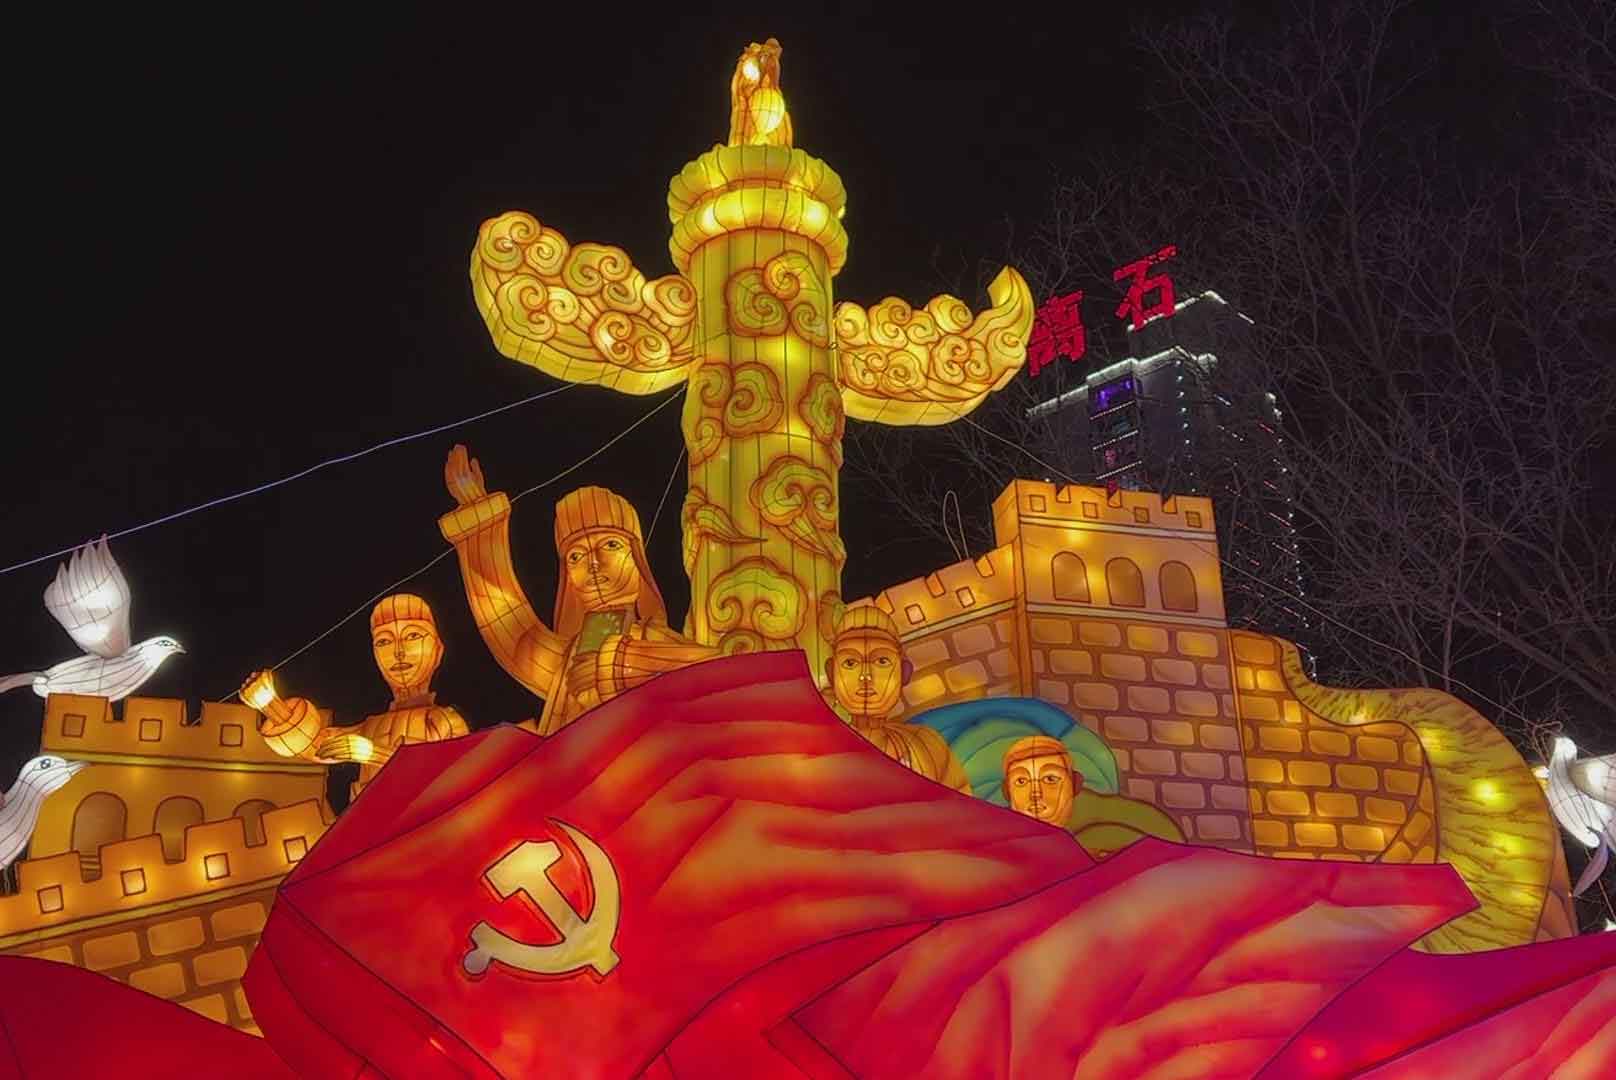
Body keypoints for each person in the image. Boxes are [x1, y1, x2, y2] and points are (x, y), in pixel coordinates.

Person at [438, 444, 717, 734]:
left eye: (610, 544)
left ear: (637, 558)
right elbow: (517, 635)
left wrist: (625, 663)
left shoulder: (650, 639)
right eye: (576, 555)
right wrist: (480, 524)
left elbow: (719, 668)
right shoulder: (568, 660)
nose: (593, 563)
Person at [240, 594, 469, 802]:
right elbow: (316, 745)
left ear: (438, 650)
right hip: (371, 825)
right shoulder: (370, 727)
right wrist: (270, 705)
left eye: (413, 636)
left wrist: (373, 753)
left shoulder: (443, 720)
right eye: (384, 641)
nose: (398, 652)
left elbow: (454, 774)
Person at [825, 603, 969, 792]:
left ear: (904, 672)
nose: (865, 676)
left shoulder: (928, 745)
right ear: (831, 674)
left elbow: (962, 804)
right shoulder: (820, 753)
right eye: (850, 663)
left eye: (881, 661)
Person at [1000, 733, 1184, 857]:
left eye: (1050, 779)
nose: (1035, 793)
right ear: (1007, 791)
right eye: (1021, 781)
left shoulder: (1100, 827)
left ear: (1074, 784)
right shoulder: (1005, 837)